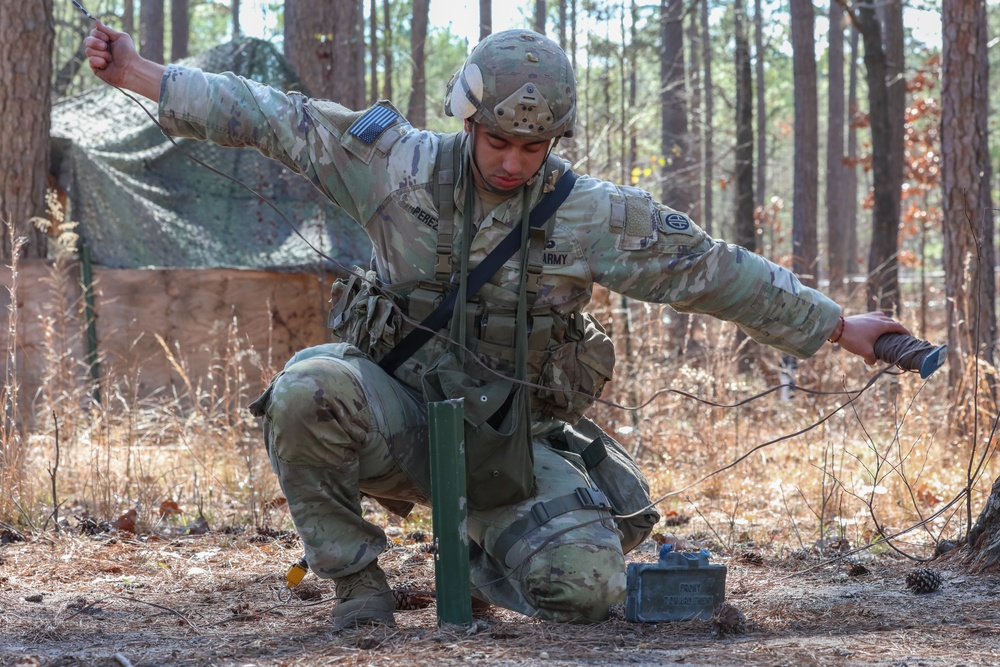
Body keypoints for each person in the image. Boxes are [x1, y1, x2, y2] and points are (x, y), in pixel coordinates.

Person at [85, 23, 908, 628]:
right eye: (501, 141)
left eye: (536, 145)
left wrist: (839, 326)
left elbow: (714, 271)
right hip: (398, 419)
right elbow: (272, 116)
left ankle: (483, 553)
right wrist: (140, 73)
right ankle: (360, 588)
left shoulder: (590, 216)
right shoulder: (394, 165)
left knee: (583, 592)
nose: (516, 162)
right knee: (305, 390)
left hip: (512, 451)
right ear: (468, 122)